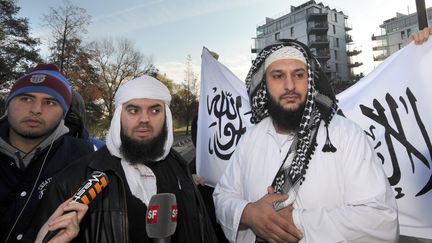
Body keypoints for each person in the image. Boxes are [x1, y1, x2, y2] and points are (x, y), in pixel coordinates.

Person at [213, 39, 399, 242]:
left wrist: (294, 222)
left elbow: (381, 218)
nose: (290, 86)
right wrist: (248, 213)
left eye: (299, 75)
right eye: (278, 76)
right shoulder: (250, 138)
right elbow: (223, 196)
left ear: (310, 81)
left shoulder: (345, 134)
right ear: (264, 85)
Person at [25, 75, 217, 243]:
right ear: (118, 117)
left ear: (166, 116)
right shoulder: (75, 179)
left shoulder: (179, 168)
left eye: (155, 110)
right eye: (133, 110)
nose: (144, 119)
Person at [0, 64, 95, 242]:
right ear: (9, 104)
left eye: (50, 102)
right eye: (26, 99)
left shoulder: (84, 158)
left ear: (63, 113)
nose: (36, 109)